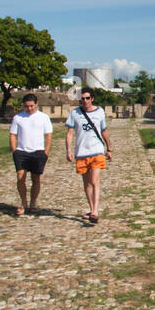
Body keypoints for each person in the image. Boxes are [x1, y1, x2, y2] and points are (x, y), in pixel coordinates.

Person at [65, 88, 111, 224]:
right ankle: (91, 209)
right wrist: (68, 150)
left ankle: (95, 211)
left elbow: (104, 130)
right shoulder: (74, 113)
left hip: (97, 150)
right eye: (82, 99)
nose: (85, 101)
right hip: (81, 152)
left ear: (92, 99)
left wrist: (109, 148)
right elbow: (69, 133)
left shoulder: (100, 112)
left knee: (94, 180)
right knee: (86, 183)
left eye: (87, 98)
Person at [9, 93, 53, 216]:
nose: (29, 108)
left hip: (38, 151)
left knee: (36, 178)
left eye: (32, 106)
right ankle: (23, 203)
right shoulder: (18, 118)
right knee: (20, 177)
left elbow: (48, 135)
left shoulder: (44, 117)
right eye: (27, 106)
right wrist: (14, 150)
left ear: (36, 104)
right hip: (21, 151)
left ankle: (33, 203)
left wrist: (46, 152)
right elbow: (13, 134)